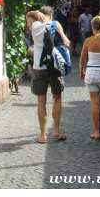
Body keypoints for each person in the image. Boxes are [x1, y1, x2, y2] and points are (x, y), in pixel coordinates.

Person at [27, 10, 71, 144]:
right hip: (54, 66)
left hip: (39, 67)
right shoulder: (55, 24)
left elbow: (33, 47)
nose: (28, 25)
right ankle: (56, 131)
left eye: (28, 22)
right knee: (57, 98)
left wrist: (34, 14)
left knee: (41, 101)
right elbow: (66, 42)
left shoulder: (35, 27)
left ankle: (42, 135)